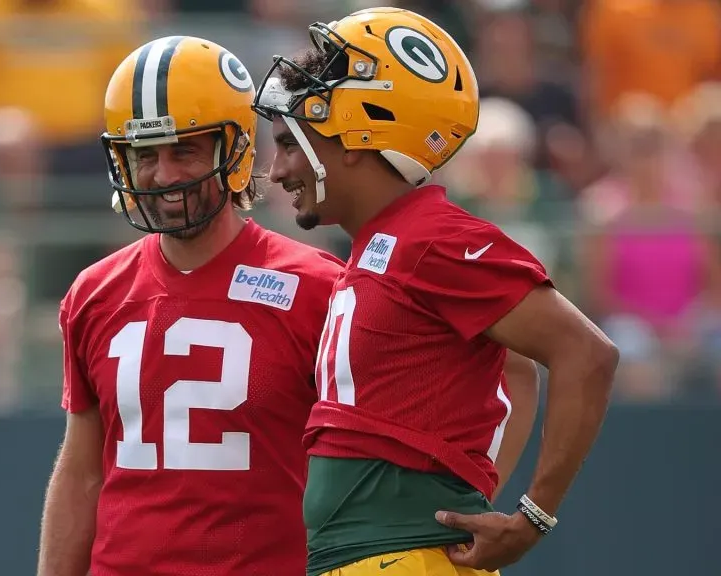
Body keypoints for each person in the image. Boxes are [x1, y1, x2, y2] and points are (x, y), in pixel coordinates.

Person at [252, 7, 618, 576]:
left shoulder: (432, 240)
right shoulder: (386, 244)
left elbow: (587, 353)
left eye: (290, 143)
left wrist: (533, 517)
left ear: (355, 135)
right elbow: (515, 367)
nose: (276, 171)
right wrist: (474, 490)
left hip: (405, 559)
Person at [35, 36, 345, 576]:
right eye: (145, 155)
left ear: (237, 151)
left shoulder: (317, 288)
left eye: (185, 150)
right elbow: (82, 472)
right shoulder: (94, 291)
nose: (164, 174)